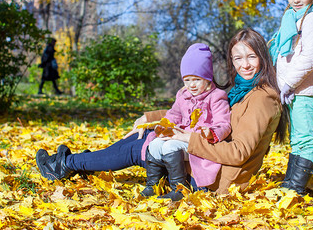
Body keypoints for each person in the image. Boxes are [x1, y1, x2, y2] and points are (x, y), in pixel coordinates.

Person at [36, 28, 285, 197]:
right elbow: (195, 112)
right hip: (204, 160)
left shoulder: (262, 98)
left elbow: (239, 152)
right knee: (141, 138)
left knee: (138, 147)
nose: (245, 65)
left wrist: (189, 139)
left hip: (213, 178)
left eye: (251, 56)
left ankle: (66, 164)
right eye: (238, 58)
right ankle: (76, 164)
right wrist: (150, 118)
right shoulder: (241, 91)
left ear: (262, 57)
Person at [140, 43, 231, 201]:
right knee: (155, 144)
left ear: (208, 78)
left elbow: (224, 123)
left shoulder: (216, 96)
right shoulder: (183, 94)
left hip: (199, 142)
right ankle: (153, 185)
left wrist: (212, 132)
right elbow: (174, 114)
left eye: (197, 79)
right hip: (180, 136)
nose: (191, 85)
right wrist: (165, 125)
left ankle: (179, 188)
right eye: (187, 80)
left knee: (169, 146)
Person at [268, 0, 313, 195]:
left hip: (304, 89)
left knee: (304, 138)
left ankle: (296, 187)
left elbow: (310, 57)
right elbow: (282, 55)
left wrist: (288, 83)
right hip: (290, 89)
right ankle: (290, 182)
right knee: (297, 139)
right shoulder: (291, 18)